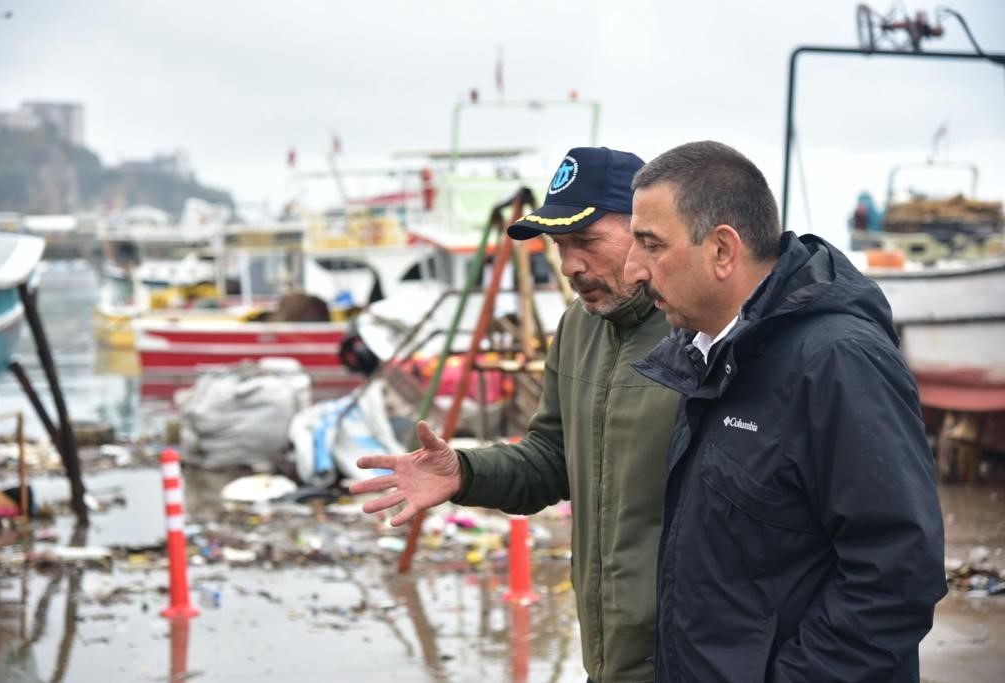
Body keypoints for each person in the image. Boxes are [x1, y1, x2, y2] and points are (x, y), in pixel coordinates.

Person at [351, 146, 681, 683]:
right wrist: (465, 472)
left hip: (695, 652)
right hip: (609, 650)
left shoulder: (700, 331)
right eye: (559, 245)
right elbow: (553, 458)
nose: (570, 264)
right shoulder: (579, 328)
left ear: (645, 230)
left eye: (587, 242)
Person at [623, 140, 947, 682]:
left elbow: (897, 575)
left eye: (650, 245)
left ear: (723, 250)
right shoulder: (708, 355)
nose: (633, 269)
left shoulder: (837, 361)